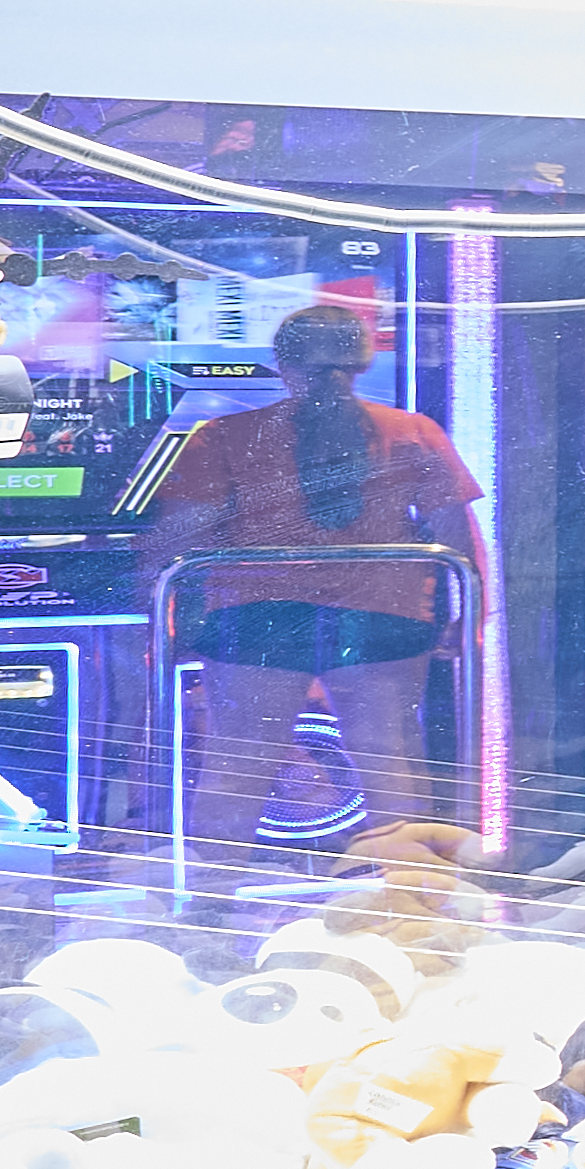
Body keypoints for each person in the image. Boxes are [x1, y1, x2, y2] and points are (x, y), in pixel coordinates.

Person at [142, 300, 482, 851]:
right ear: (364, 362)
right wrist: (470, 620)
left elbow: (177, 536)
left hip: (256, 618)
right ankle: (414, 899)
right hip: (383, 614)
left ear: (282, 363)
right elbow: (458, 538)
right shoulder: (414, 431)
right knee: (389, 758)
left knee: (238, 764)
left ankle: (210, 910)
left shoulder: (225, 435)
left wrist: (157, 619)